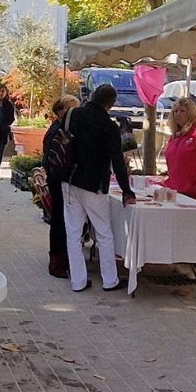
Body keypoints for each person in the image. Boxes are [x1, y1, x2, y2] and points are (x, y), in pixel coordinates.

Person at [61, 84, 135, 292]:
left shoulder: (72, 114)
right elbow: (117, 162)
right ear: (111, 103)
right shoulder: (109, 126)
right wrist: (126, 190)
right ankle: (110, 280)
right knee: (104, 233)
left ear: (93, 96)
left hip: (69, 179)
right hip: (94, 184)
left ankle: (78, 281)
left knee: (73, 233)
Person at [42, 95, 79, 278]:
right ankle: (56, 262)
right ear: (60, 111)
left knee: (62, 220)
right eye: (71, 109)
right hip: (58, 181)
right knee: (59, 219)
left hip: (60, 180)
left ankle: (63, 259)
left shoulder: (65, 128)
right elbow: (50, 160)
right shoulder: (57, 131)